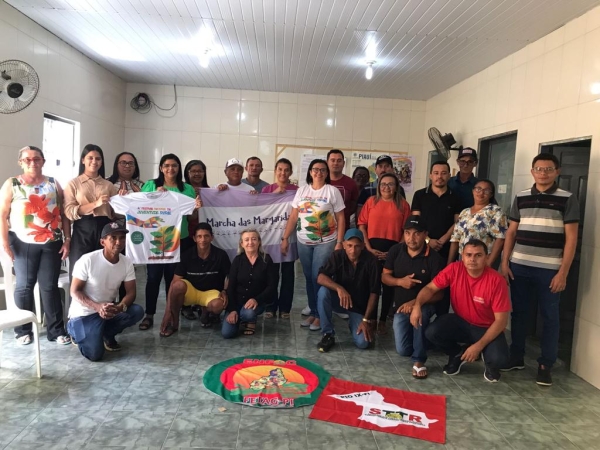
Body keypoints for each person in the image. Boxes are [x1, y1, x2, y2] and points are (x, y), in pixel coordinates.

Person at [500, 153, 579, 386]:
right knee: (519, 314)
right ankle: (516, 357)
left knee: (550, 317)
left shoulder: (567, 199)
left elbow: (572, 238)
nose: (543, 173)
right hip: (520, 266)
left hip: (550, 270)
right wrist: (505, 262)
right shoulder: (521, 196)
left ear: (557, 171)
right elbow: (511, 232)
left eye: (548, 169)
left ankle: (545, 365)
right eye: (539, 169)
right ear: (532, 171)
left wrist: (563, 272)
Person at [410, 239, 510, 382]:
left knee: (499, 359)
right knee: (432, 332)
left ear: (487, 258)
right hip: (461, 323)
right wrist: (417, 305)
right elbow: (430, 288)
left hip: (486, 327)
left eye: (478, 255)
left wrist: (478, 347)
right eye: (468, 255)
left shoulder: (496, 280)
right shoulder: (454, 269)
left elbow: (501, 321)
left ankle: (488, 360)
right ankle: (457, 353)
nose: (472, 259)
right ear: (462, 256)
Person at [0, 146, 71, 345]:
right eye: (27, 159)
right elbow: (2, 215)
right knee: (24, 285)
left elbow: (64, 214)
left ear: (43, 161)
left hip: (52, 241)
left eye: (37, 158)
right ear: (20, 162)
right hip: (22, 243)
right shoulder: (12, 184)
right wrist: (5, 243)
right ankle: (23, 330)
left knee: (49, 286)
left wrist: (67, 239)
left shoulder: (53, 183)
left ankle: (56, 331)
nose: (32, 162)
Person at [281, 159, 345, 331]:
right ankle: (314, 310)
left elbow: (340, 218)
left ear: (327, 173)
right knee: (308, 277)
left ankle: (320, 316)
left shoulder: (332, 191)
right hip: (303, 241)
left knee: (319, 276)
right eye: (315, 169)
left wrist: (340, 242)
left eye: (322, 170)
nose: (319, 172)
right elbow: (294, 216)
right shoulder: (302, 190)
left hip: (326, 241)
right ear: (310, 172)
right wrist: (285, 238)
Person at [139, 154, 200, 331]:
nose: (170, 169)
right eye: (166, 165)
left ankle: (172, 314)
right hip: (156, 240)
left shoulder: (187, 189)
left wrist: (196, 208)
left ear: (179, 168)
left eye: (174, 165)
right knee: (153, 278)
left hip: (179, 240)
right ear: (161, 168)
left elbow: (191, 217)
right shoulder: (150, 185)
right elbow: (141, 208)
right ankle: (149, 314)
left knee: (173, 280)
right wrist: (155, 196)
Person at [67, 222, 144, 361]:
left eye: (122, 238)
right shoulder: (87, 260)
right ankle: (74, 330)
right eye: (113, 238)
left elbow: (131, 293)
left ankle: (106, 334)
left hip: (108, 311)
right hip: (85, 314)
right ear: (103, 242)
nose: (118, 242)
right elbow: (74, 291)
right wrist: (97, 307)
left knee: (136, 311)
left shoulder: (126, 262)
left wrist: (119, 307)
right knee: (95, 355)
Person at [382, 216, 445, 379]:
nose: (411, 238)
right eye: (407, 233)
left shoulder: (434, 258)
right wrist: (400, 282)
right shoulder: (396, 251)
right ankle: (432, 339)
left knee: (420, 315)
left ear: (425, 235)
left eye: (417, 233)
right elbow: (385, 277)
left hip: (425, 305)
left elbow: (439, 293)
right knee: (403, 350)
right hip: (401, 308)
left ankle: (419, 361)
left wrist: (415, 303)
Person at [358, 173, 411, 335]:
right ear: (378, 186)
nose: (386, 187)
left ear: (396, 187)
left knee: (389, 286)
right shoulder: (371, 202)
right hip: (372, 248)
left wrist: (394, 251)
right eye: (383, 184)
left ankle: (383, 319)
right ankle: (371, 318)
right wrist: (368, 248)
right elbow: (362, 225)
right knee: (373, 284)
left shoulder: (403, 205)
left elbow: (406, 231)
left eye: (390, 184)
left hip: (393, 250)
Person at [160, 223, 230, 336]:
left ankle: (205, 311)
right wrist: (167, 312)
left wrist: (225, 291)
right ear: (194, 238)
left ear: (212, 237)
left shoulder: (220, 255)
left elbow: (229, 276)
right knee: (177, 285)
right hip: (192, 292)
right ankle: (173, 322)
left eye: (206, 236)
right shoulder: (186, 255)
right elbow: (174, 283)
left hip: (210, 292)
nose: (203, 240)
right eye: (199, 236)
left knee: (218, 305)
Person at [315, 229, 380, 352]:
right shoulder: (337, 256)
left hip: (358, 307)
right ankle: (327, 334)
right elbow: (320, 277)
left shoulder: (372, 261)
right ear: (344, 244)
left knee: (363, 343)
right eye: (349, 245)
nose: (353, 250)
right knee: (323, 292)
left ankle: (354, 322)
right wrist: (339, 288)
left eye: (357, 246)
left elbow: (374, 293)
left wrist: (366, 319)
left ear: (363, 246)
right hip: (339, 301)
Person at [411, 161, 462, 316]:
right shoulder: (420, 195)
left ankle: (441, 321)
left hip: (447, 250)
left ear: (449, 175)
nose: (440, 176)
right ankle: (418, 314)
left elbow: (458, 222)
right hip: (423, 249)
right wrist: (428, 240)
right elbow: (415, 222)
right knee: (422, 282)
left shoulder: (455, 197)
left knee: (444, 287)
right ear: (430, 175)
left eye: (444, 173)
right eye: (436, 173)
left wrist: (444, 239)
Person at [64, 144, 118, 281]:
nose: (94, 161)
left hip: (105, 229)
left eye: (98, 159)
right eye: (90, 158)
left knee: (104, 272)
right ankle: (77, 296)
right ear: (83, 160)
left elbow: (116, 213)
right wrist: (95, 204)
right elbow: (69, 212)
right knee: (79, 273)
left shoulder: (108, 185)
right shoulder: (73, 184)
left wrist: (122, 199)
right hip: (82, 230)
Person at [222, 229, 278, 338]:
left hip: (257, 302)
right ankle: (240, 318)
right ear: (242, 244)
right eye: (246, 240)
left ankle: (249, 320)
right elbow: (231, 287)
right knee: (227, 333)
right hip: (237, 302)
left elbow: (272, 286)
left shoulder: (266, 259)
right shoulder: (237, 260)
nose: (250, 242)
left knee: (248, 314)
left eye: (254, 239)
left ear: (259, 242)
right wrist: (232, 310)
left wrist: (256, 299)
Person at [262, 158, 298, 319]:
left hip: (289, 237)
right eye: (280, 169)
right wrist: (274, 195)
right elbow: (260, 211)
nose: (283, 173)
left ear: (290, 172)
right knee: (271, 275)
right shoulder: (267, 189)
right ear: (275, 171)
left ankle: (285, 308)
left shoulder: (297, 191)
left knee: (288, 274)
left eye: (286, 170)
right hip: (270, 238)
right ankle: (270, 306)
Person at [448, 179, 507, 266]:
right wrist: (449, 264)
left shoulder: (495, 211)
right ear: (473, 191)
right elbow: (455, 239)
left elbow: (501, 238)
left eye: (486, 190)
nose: (481, 193)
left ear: (491, 194)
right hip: (463, 259)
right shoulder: (464, 212)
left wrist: (489, 263)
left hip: (483, 260)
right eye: (478, 189)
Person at [181, 159, 209, 321]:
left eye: (200, 171)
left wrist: (221, 190)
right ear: (187, 173)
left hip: (205, 238)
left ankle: (201, 303)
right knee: (187, 270)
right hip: (187, 235)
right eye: (193, 171)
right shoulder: (183, 190)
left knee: (203, 270)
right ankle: (185, 304)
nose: (197, 174)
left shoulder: (210, 191)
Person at [327, 149, 359, 229]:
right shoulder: (321, 181)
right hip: (323, 228)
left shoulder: (351, 183)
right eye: (333, 160)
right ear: (327, 162)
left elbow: (354, 205)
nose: (336, 163)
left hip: (344, 227)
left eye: (339, 161)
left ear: (343, 163)